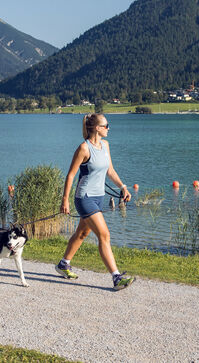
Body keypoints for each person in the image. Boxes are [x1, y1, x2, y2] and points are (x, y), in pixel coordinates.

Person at [55, 113, 135, 290]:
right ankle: (116, 277)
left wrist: (123, 187)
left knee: (82, 234)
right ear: (97, 128)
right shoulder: (84, 148)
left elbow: (110, 171)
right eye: (106, 125)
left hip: (99, 197)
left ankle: (63, 263)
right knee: (104, 235)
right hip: (84, 198)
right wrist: (65, 200)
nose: (109, 128)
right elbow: (70, 175)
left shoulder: (105, 145)